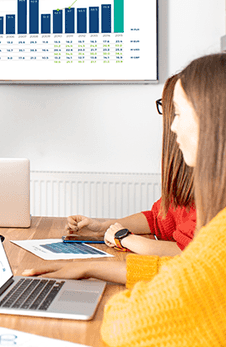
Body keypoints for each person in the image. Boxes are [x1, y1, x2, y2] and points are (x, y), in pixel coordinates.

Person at [25, 52, 226, 347]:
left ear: (214, 123)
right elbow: (189, 271)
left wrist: (117, 254)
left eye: (180, 113)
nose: (171, 127)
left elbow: (125, 321)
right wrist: (92, 267)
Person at [66, 74, 195, 256]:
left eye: (175, 111)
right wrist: (102, 227)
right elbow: (157, 219)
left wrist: (125, 238)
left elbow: (189, 252)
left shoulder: (214, 188)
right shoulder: (187, 175)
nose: (171, 125)